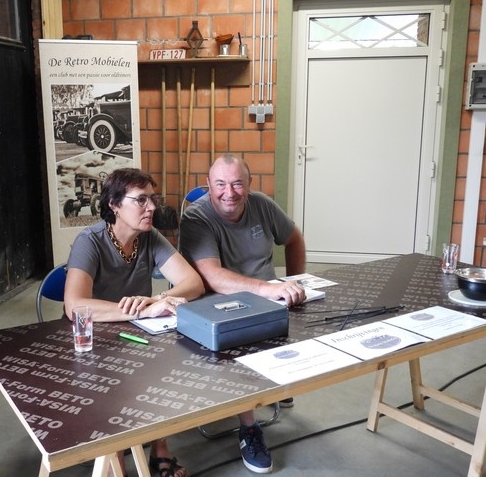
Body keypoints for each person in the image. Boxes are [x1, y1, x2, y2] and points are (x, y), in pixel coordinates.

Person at [64, 167, 204, 477]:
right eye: (141, 200)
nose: (151, 207)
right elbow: (74, 307)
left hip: (137, 332)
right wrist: (140, 311)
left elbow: (193, 283)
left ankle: (159, 446)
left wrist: (155, 299)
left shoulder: (149, 237)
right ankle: (115, 456)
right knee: (115, 380)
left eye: (153, 199)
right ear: (114, 205)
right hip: (94, 337)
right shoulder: (90, 241)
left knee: (171, 359)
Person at [179, 154, 307, 474]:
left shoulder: (262, 205)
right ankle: (249, 428)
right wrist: (266, 290)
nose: (229, 192)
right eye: (220, 184)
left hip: (270, 300)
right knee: (239, 345)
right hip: (220, 306)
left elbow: (294, 239)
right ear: (208, 185)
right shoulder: (196, 218)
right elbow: (213, 277)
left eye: (237, 184)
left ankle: (274, 383)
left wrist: (294, 282)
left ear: (249, 185)